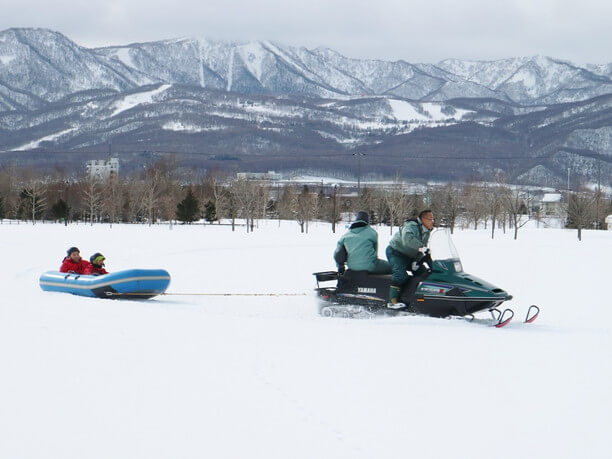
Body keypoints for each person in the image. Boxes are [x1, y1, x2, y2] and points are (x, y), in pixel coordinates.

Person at [385, 209, 435, 308]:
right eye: (430, 219)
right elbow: (407, 239)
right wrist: (421, 247)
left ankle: (416, 299)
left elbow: (422, 248)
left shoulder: (426, 231)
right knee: (400, 275)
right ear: (423, 219)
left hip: (410, 256)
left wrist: (417, 261)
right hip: (396, 252)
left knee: (424, 274)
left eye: (433, 219)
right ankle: (392, 301)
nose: (432, 221)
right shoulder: (411, 226)